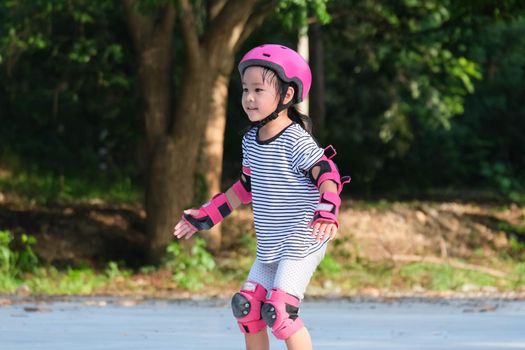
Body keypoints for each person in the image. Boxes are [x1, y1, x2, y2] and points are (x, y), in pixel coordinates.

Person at [173, 43, 350, 350]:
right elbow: (244, 188)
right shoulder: (251, 141)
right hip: (271, 243)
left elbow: (327, 174)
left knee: (279, 312)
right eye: (245, 89)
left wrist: (327, 210)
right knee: (247, 307)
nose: (249, 98)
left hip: (301, 240)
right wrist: (206, 215)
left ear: (287, 95)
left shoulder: (296, 140)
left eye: (258, 90)